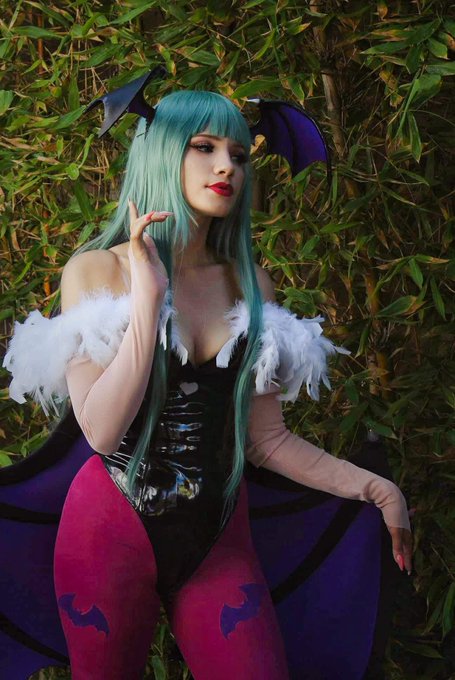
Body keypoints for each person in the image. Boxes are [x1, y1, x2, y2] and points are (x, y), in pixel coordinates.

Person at [2, 89, 412, 680]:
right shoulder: (96, 269)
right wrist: (148, 302)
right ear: (161, 150)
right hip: (107, 531)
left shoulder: (251, 284)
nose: (227, 167)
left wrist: (376, 489)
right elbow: (101, 432)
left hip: (219, 536)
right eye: (204, 147)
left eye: (239, 155)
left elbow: (266, 440)